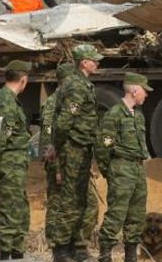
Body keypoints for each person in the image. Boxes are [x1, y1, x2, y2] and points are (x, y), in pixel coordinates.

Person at [50, 44, 103, 262]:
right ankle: (62, 249)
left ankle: (76, 247)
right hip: (73, 149)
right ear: (84, 62)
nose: (97, 62)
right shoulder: (76, 86)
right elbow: (64, 122)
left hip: (81, 148)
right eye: (94, 59)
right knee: (71, 201)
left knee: (82, 201)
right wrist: (60, 147)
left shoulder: (81, 84)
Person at [95, 72, 153, 262]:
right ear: (135, 90)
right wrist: (110, 172)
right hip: (121, 168)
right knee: (117, 213)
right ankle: (105, 256)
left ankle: (131, 256)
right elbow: (103, 148)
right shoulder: (114, 115)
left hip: (137, 169)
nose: (147, 95)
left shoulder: (138, 116)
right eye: (145, 91)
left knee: (136, 215)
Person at [0, 59, 32, 260]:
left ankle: (15, 250)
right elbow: (0, 136)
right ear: (23, 80)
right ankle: (6, 253)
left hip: (11, 164)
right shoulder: (7, 101)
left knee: (17, 207)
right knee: (10, 210)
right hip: (9, 164)